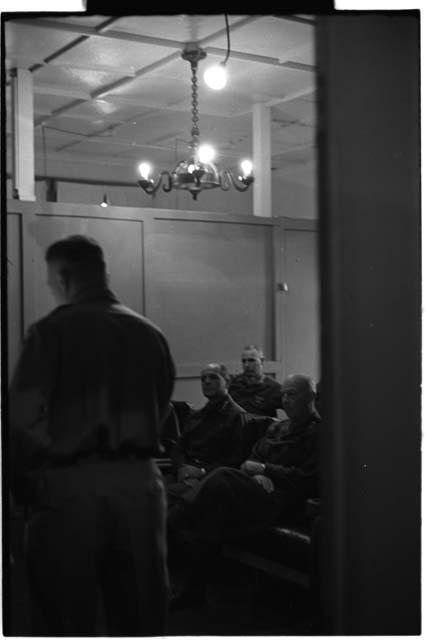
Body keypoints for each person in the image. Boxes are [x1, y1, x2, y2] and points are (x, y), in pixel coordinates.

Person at [8, 235, 175, 636]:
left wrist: (26, 490)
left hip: (69, 487)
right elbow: (163, 405)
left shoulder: (50, 334)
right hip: (141, 486)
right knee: (140, 614)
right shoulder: (149, 333)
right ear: (103, 273)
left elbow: (22, 421)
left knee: (66, 615)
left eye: (52, 283)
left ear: (64, 277)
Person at [169, 374, 320, 607]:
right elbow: (250, 459)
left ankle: (178, 515)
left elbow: (307, 479)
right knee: (213, 513)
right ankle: (194, 590)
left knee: (221, 476)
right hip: (257, 491)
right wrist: (258, 472)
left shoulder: (318, 434)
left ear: (311, 397)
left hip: (282, 501)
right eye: (284, 394)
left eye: (293, 394)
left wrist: (266, 469)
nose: (286, 399)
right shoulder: (277, 427)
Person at [166, 363, 247, 506]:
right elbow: (178, 448)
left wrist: (201, 472)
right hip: (184, 474)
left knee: (160, 495)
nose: (207, 382)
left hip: (211, 480)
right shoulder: (197, 415)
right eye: (203, 379)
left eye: (213, 377)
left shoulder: (236, 416)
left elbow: (236, 460)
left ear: (227, 382)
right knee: (144, 487)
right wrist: (180, 469)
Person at [228, 345, 283, 417]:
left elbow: (295, 409)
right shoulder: (233, 384)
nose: (247, 365)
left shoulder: (273, 387)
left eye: (251, 360)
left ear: (262, 361)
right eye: (244, 361)